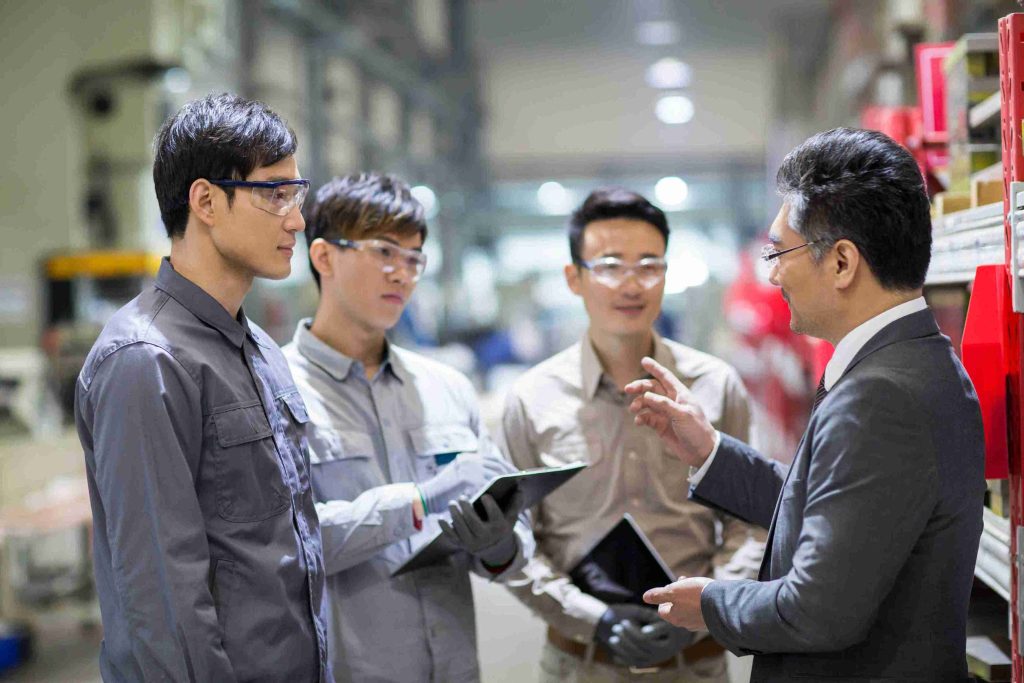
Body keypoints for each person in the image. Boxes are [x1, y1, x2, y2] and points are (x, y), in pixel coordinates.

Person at [631, 128, 985, 683]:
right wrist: (711, 451)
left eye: (780, 252)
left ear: (842, 262)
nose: (772, 275)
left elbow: (819, 611)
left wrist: (714, 604)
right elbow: (842, 517)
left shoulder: (879, 396)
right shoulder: (916, 361)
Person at [74, 94, 331, 682]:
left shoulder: (260, 351)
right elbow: (164, 602)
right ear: (207, 201)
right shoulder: (146, 362)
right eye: (274, 193)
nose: (295, 218)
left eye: (296, 193)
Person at [497, 187, 764, 682]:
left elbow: (751, 523)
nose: (632, 284)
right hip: (580, 665)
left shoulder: (714, 385)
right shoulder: (531, 400)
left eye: (649, 265)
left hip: (695, 665)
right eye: (610, 265)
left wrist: (710, 604)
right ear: (574, 278)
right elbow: (517, 543)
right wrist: (593, 619)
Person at [283, 172, 534, 683]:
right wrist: (417, 502)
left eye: (415, 258)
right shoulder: (275, 390)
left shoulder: (447, 388)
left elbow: (515, 541)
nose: (402, 273)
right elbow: (288, 543)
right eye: (384, 252)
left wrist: (498, 544)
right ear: (324, 256)